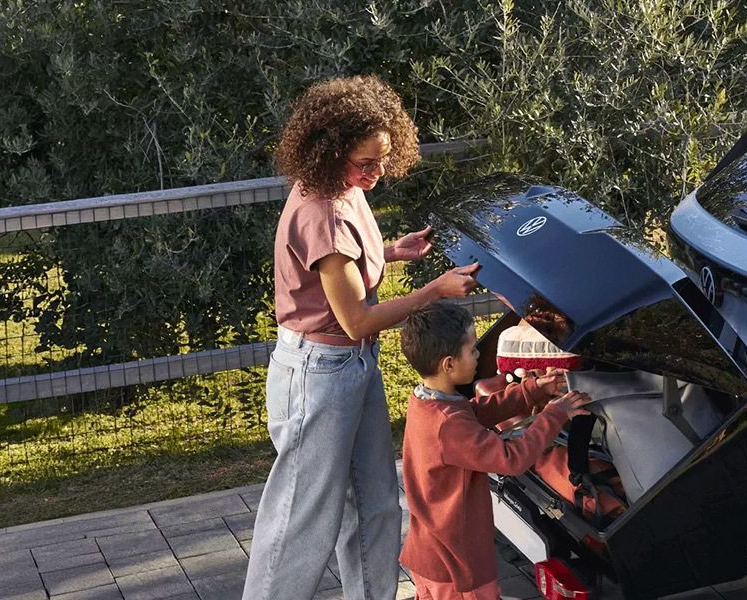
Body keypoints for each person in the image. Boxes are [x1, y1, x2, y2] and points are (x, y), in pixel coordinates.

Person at [243, 75, 481, 600]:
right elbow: (357, 320)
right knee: (302, 522)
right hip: (319, 375)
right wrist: (434, 290)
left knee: (375, 505)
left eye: (383, 160)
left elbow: (344, 266)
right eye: (365, 163)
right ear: (331, 151)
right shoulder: (323, 211)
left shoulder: (343, 188)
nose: (376, 173)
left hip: (351, 368)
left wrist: (390, 251)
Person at [397, 301, 592, 600]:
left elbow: (475, 412)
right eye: (472, 350)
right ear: (448, 364)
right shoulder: (448, 424)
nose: (478, 355)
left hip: (431, 551)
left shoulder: (428, 402)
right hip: (457, 567)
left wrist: (534, 389)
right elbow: (511, 459)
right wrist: (556, 413)